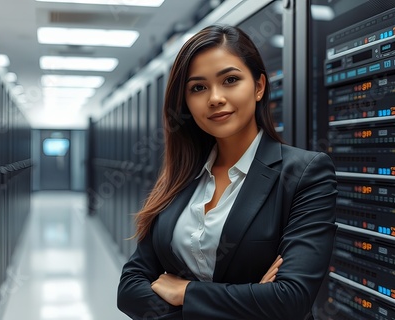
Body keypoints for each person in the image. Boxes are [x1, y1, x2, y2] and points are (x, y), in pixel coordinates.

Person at [117, 25, 337, 320]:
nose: (215, 98)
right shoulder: (181, 176)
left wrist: (185, 291)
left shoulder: (305, 174)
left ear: (259, 86)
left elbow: (290, 299)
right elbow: (129, 290)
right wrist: (249, 301)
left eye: (230, 80)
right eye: (198, 87)